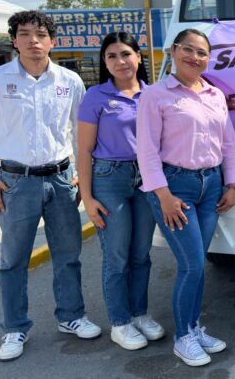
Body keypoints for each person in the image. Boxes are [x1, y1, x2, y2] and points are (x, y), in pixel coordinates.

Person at [0, 11, 101, 361]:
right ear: (14, 40)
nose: (33, 41)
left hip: (61, 179)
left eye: (40, 34)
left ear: (52, 41)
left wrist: (82, 176)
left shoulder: (69, 80)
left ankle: (71, 316)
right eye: (24, 34)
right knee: (13, 260)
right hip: (15, 183)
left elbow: (82, 133)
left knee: (68, 255)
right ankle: (14, 328)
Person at [136, 28, 235, 367]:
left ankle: (194, 327)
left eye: (202, 53)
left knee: (197, 264)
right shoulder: (155, 95)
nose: (195, 57)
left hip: (211, 185)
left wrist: (232, 183)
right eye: (188, 49)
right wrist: (162, 195)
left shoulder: (214, 94)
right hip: (174, 188)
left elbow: (228, 143)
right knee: (192, 265)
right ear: (173, 51)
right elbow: (146, 150)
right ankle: (183, 337)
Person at [76, 32, 165, 351]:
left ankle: (139, 313)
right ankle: (120, 322)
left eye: (126, 54)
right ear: (105, 62)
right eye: (111, 56)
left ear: (139, 57)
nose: (120, 61)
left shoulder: (153, 95)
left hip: (146, 178)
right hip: (109, 178)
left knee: (141, 254)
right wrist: (88, 198)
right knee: (117, 256)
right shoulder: (96, 96)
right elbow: (84, 150)